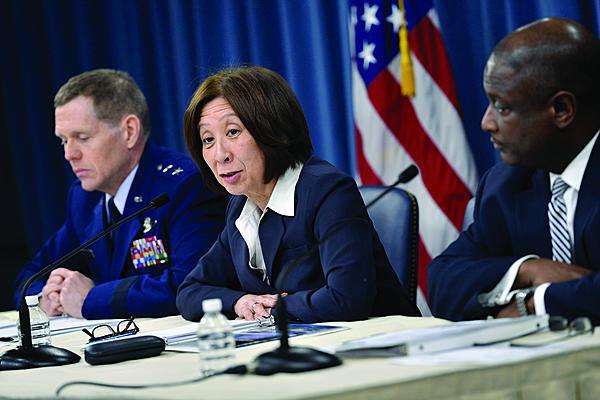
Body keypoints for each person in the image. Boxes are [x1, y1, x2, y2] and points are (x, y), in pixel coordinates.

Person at [176, 66, 419, 323]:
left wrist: (275, 308)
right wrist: (241, 302)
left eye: (233, 132)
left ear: (273, 129)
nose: (219, 155)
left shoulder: (327, 191)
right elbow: (189, 293)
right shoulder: (241, 206)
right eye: (207, 139)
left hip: (383, 347)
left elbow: (347, 299)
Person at [14, 69, 228, 319]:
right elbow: (30, 276)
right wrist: (46, 296)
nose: (69, 154)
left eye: (82, 138)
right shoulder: (84, 198)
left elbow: (188, 287)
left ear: (129, 131)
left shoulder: (185, 186)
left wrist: (90, 299)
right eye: (63, 140)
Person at [428, 18, 600, 324]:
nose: (486, 123)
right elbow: (443, 283)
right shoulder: (505, 185)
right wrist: (526, 270)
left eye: (502, 107)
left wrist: (535, 304)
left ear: (561, 110)